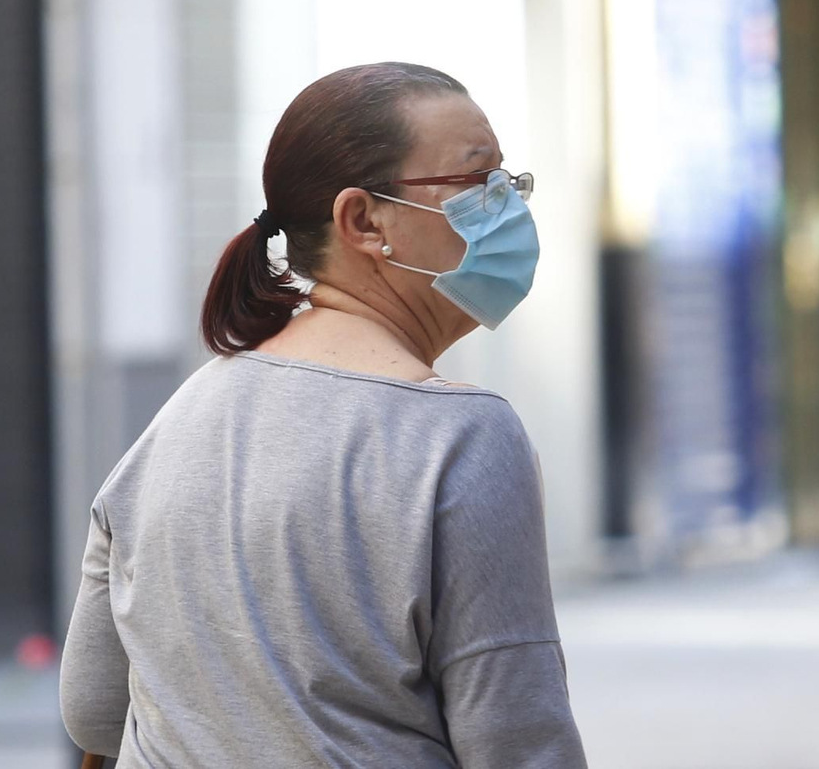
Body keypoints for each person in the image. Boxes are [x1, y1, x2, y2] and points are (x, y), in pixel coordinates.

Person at [60, 62, 586, 768]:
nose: (509, 206)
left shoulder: (177, 419)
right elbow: (519, 742)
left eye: (507, 181)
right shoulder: (461, 436)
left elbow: (92, 711)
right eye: (477, 182)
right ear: (365, 221)